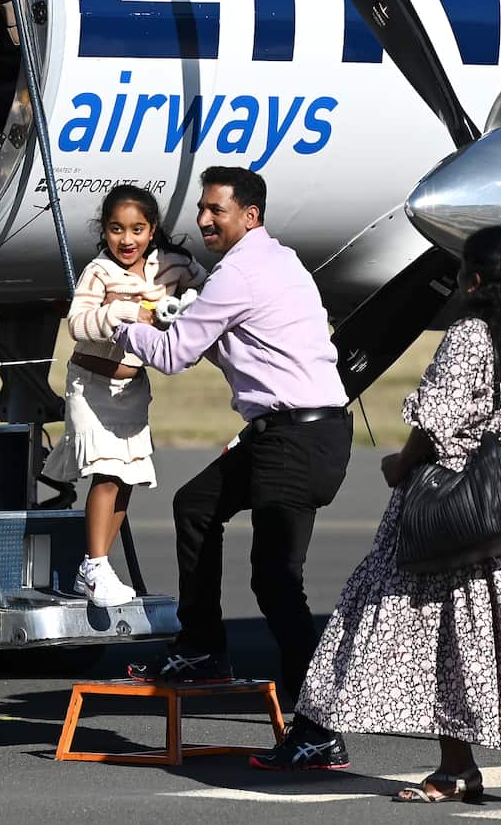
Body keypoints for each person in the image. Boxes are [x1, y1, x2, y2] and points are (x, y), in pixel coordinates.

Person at [254, 226, 501, 811]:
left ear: (476, 279)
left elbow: (435, 421)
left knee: (425, 614)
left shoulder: (469, 336)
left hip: (468, 494)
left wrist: (398, 463)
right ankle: (460, 768)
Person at [114, 166, 352, 707]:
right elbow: (234, 342)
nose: (203, 220)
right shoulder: (279, 259)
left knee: (275, 580)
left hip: (294, 439)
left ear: (250, 215)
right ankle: (201, 645)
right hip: (296, 432)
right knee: (196, 506)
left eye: (215, 210)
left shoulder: (237, 275)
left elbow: (175, 356)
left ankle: (317, 713)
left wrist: (122, 324)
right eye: (202, 209)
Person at [42, 185, 207, 607]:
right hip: (91, 386)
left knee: (127, 477)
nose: (126, 239)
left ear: (152, 230)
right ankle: (95, 566)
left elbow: (206, 292)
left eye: (137, 229)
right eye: (116, 229)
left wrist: (181, 307)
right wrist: (127, 310)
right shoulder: (98, 272)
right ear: (105, 231)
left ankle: (93, 564)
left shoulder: (172, 264)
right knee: (108, 473)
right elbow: (77, 325)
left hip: (132, 390)